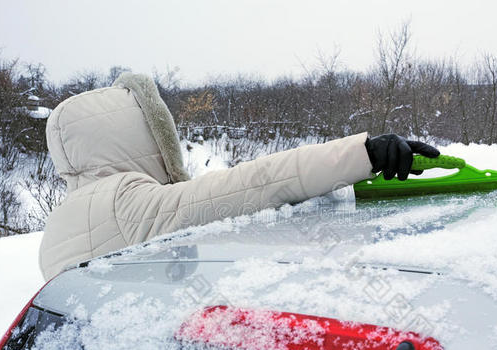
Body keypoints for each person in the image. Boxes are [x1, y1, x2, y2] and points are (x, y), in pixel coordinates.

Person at [39, 73, 439, 280]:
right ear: (141, 136)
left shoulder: (57, 227)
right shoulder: (125, 199)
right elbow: (251, 185)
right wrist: (362, 154)